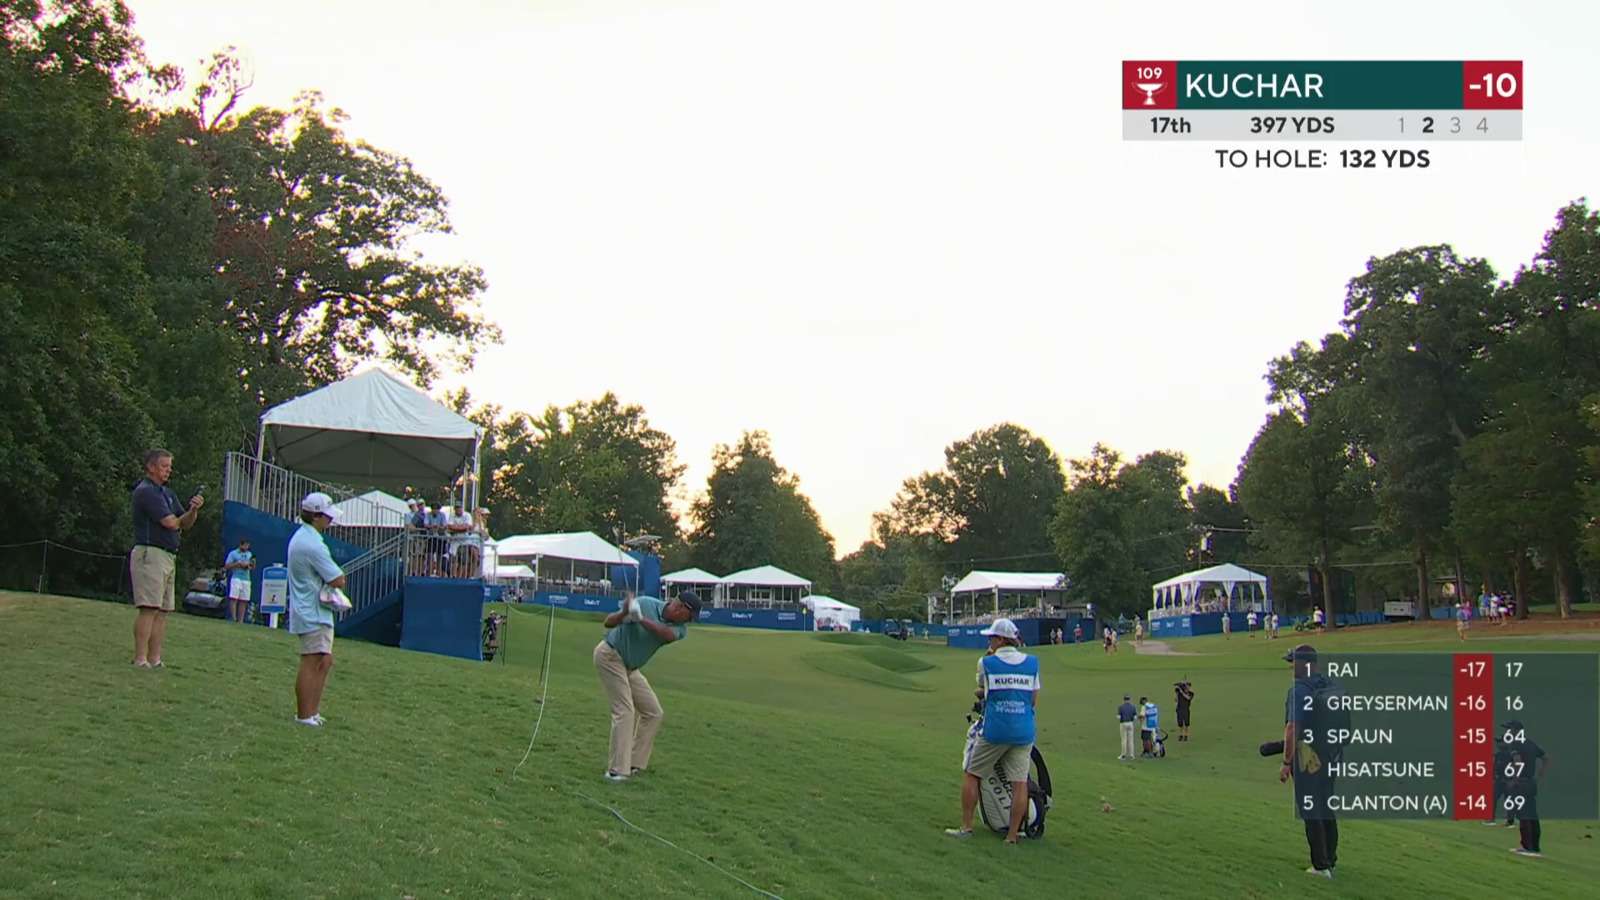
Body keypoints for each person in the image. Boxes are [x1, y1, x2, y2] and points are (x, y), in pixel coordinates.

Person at [946, 618, 1041, 843]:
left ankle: (966, 827)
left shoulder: (986, 662)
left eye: (991, 638)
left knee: (972, 773)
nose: (989, 642)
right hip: (1024, 729)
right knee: (1019, 783)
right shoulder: (1032, 662)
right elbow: (1033, 699)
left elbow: (983, 688)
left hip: (996, 729)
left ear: (1000, 639)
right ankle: (1012, 836)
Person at [594, 589, 702, 781]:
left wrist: (640, 619)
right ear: (680, 607)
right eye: (690, 616)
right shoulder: (645, 603)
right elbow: (608, 622)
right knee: (625, 711)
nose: (690, 621)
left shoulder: (680, 630)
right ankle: (617, 770)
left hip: (630, 668)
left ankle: (634, 762)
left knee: (653, 712)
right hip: (610, 656)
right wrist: (624, 613)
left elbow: (665, 634)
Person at [129, 449, 204, 668]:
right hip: (150, 554)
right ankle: (140, 657)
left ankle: (155, 658)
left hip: (168, 556)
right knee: (149, 607)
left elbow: (184, 523)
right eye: (164, 466)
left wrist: (193, 510)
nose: (168, 471)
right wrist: (179, 520)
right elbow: (170, 522)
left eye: (170, 467)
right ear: (151, 467)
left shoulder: (167, 493)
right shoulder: (146, 492)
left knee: (162, 611)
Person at [288, 492, 347, 727]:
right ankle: (304, 714)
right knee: (312, 660)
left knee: (324, 660)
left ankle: (311, 712)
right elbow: (337, 578)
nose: (330, 520)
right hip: (312, 609)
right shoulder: (311, 544)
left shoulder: (306, 537)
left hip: (314, 609)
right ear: (315, 516)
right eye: (327, 516)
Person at [1281, 643, 1338, 878]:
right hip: (1331, 755)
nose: (1291, 666)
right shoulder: (1328, 685)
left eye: (1293, 662)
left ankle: (1320, 866)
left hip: (1307, 758)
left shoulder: (1298, 691)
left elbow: (1292, 728)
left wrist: (1286, 762)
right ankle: (1330, 859)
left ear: (1304, 664)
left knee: (1311, 809)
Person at [1501, 720, 1548, 857]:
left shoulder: (1515, 744)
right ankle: (1535, 846)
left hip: (1521, 783)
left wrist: (1515, 779)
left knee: (1524, 814)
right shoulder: (1531, 743)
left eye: (1509, 729)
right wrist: (1540, 775)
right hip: (1531, 782)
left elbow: (1518, 762)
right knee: (1532, 814)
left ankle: (1527, 846)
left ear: (1515, 730)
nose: (1507, 732)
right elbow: (1546, 758)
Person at [223, 537, 255, 624]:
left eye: (248, 546)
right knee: (234, 598)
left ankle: (240, 620)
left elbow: (252, 565)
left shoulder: (249, 554)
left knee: (244, 600)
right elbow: (227, 566)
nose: (247, 547)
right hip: (236, 577)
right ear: (241, 545)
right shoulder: (233, 553)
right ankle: (233, 618)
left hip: (246, 579)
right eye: (245, 545)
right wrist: (237, 564)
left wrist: (249, 565)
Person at [1117, 694, 1138, 760]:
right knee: (1131, 740)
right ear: (1129, 700)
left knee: (1124, 740)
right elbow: (1135, 717)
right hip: (1130, 723)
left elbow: (1118, 717)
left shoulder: (1121, 707)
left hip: (1123, 723)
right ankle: (1132, 755)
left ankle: (1123, 755)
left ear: (1124, 700)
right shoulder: (1133, 707)